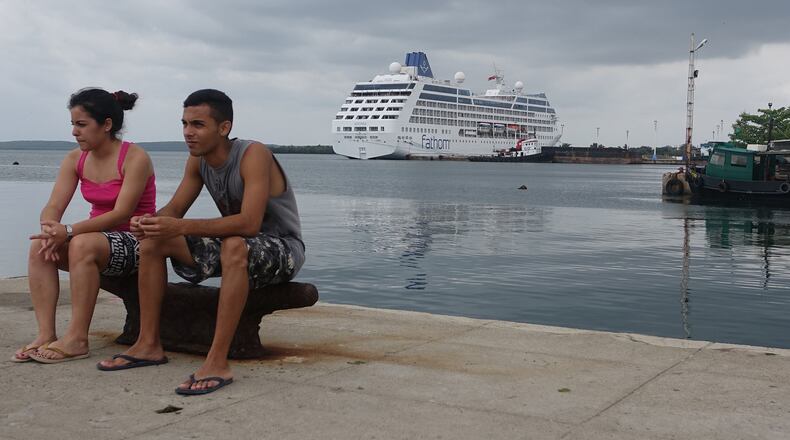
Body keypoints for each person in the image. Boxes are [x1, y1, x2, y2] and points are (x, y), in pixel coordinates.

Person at [98, 89, 305, 396]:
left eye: (197, 124)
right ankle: (148, 344)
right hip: (236, 244)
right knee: (154, 242)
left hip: (283, 248)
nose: (188, 132)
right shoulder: (197, 161)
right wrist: (150, 222)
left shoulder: (253, 154)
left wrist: (179, 226)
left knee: (234, 244)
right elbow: (175, 210)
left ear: (224, 128)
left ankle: (217, 361)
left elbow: (249, 224)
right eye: (184, 124)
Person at [13, 88, 156, 363]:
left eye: (81, 124)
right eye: (73, 124)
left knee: (81, 243)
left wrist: (67, 231)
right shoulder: (75, 159)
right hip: (95, 240)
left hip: (137, 241)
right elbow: (54, 205)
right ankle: (45, 334)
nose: (74, 132)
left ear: (106, 125)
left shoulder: (135, 157)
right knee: (39, 246)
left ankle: (78, 338)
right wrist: (50, 228)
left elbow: (121, 213)